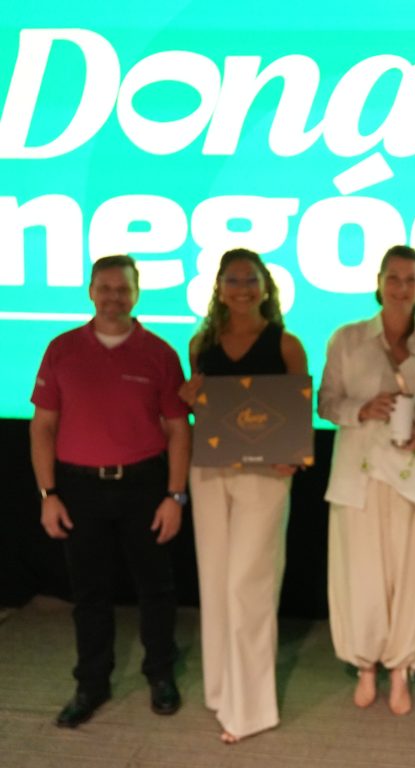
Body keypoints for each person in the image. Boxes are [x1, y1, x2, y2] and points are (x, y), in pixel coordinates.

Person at [29, 254, 190, 728]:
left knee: (156, 589)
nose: (113, 297)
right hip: (78, 488)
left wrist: (175, 496)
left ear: (136, 294)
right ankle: (91, 684)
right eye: (105, 288)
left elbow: (179, 430)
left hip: (144, 485)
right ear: (91, 292)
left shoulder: (159, 353)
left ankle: (160, 674)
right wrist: (48, 495)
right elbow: (43, 427)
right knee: (89, 595)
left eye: (123, 289)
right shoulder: (61, 350)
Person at [318, 244, 415, 715]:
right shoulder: (347, 339)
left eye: (410, 279)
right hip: (361, 474)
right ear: (378, 283)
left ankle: (402, 666)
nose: (401, 288)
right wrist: (361, 409)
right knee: (361, 572)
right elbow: (326, 401)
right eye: (393, 278)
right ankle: (366, 664)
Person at [178, 249, 308, 743]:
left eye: (250, 279)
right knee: (215, 582)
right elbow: (204, 411)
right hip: (210, 472)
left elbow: (298, 409)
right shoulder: (201, 344)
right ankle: (221, 691)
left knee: (247, 585)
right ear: (219, 287)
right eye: (232, 280)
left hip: (265, 476)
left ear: (266, 287)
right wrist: (191, 398)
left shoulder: (286, 344)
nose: (242, 288)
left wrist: (294, 454)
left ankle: (250, 710)